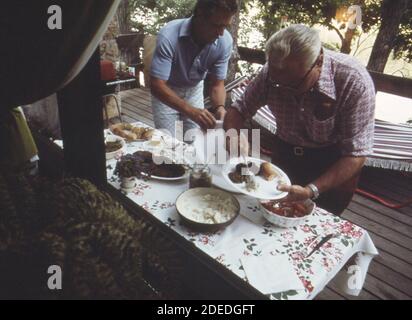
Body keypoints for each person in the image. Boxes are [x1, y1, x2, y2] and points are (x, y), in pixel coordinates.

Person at [224, 24, 376, 215]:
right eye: (277, 81)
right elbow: (239, 109)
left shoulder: (353, 80)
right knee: (273, 213)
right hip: (286, 155)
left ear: (319, 62)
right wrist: (232, 134)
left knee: (320, 223)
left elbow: (357, 154)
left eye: (294, 83)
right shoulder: (272, 73)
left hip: (333, 164)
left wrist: (311, 190)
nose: (283, 87)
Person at [150, 0, 238, 140]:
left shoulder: (225, 41)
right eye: (216, 25)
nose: (221, 33)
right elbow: (156, 84)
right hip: (166, 89)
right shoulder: (169, 35)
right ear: (199, 17)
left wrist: (220, 107)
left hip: (194, 88)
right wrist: (190, 110)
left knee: (193, 141)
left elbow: (217, 84)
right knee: (168, 143)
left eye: (225, 26)